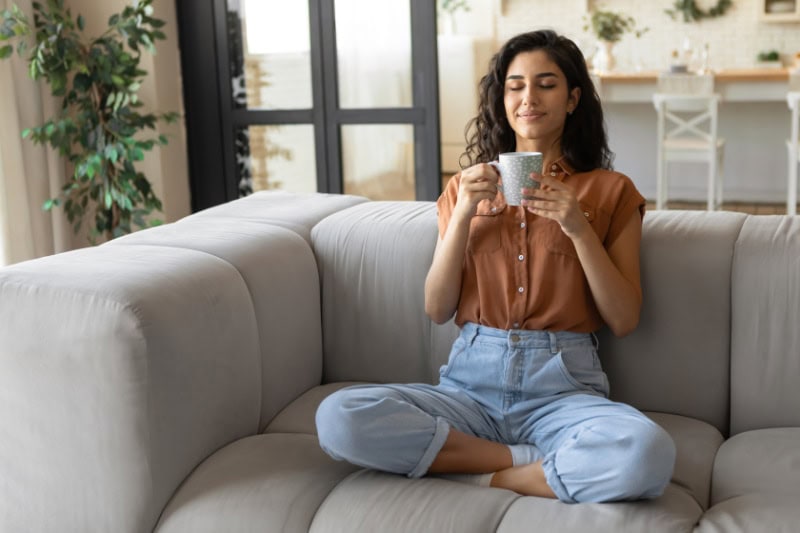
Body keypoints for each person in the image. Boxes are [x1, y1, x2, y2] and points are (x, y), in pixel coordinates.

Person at [315, 29, 676, 504]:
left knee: (646, 452)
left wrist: (578, 227)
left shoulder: (610, 191)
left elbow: (624, 319)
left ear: (572, 99)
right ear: (501, 98)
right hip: (469, 389)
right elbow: (437, 307)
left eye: (546, 84)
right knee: (338, 417)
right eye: (515, 85)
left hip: (563, 391)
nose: (529, 97)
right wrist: (464, 211)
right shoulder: (465, 189)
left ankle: (475, 472)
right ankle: (522, 462)